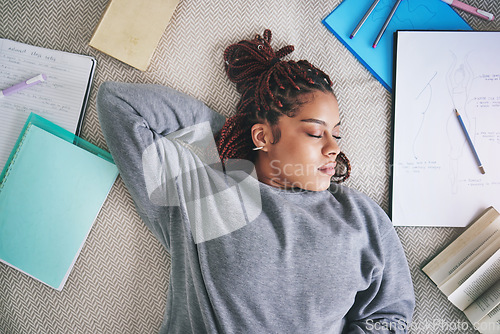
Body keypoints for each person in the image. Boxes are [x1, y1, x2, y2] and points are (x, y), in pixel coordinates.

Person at [97, 29, 415, 334]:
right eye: (316, 133)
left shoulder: (362, 218)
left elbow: (389, 315)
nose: (334, 148)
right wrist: (233, 139)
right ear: (263, 135)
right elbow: (120, 104)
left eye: (337, 134)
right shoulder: (207, 193)